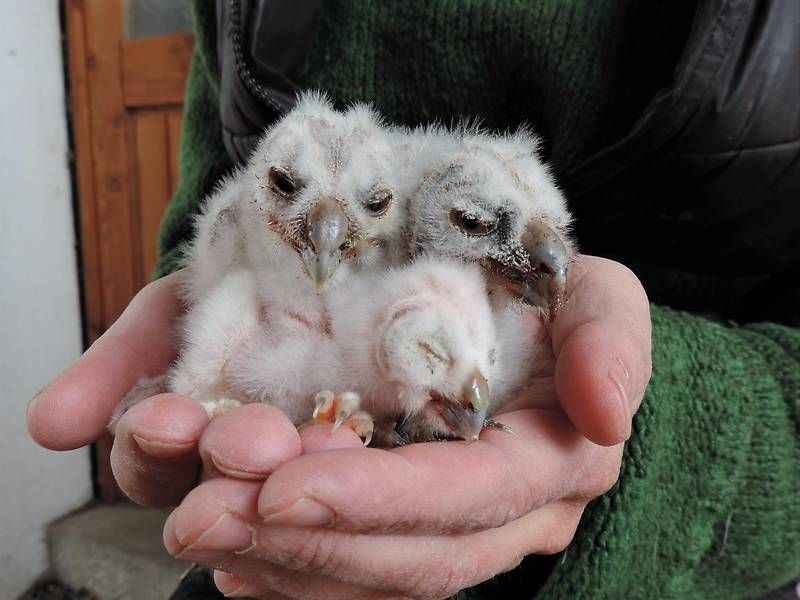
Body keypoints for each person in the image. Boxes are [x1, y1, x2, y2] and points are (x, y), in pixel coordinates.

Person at [28, 1, 800, 598]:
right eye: (470, 224)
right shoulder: (321, 223)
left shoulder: (469, 279)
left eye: (368, 209)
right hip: (262, 555)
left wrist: (658, 431)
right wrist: (208, 363)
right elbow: (218, 223)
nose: (333, 235)